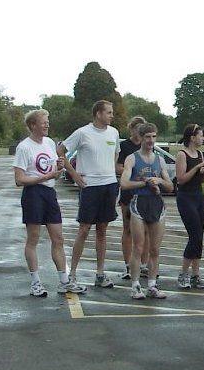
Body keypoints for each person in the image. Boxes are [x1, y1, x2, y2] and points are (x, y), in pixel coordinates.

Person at [13, 109, 86, 297]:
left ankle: (64, 281)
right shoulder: (24, 147)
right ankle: (36, 282)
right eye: (43, 122)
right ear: (32, 126)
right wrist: (45, 176)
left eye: (48, 121)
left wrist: (59, 166)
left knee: (58, 238)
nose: (47, 125)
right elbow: (19, 179)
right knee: (33, 239)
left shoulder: (49, 142)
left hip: (49, 193)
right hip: (33, 194)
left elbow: (53, 166)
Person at [58, 100, 120, 289]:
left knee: (102, 230)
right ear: (98, 114)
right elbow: (60, 151)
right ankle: (73, 274)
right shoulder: (82, 132)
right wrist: (74, 175)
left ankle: (100, 274)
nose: (112, 115)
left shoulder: (114, 132)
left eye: (112, 112)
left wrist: (109, 170)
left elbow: (115, 153)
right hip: (90, 187)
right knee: (84, 229)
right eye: (108, 112)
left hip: (109, 185)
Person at [120, 123, 173, 299]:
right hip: (138, 203)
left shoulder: (160, 159)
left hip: (156, 204)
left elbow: (170, 185)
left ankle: (152, 285)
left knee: (155, 249)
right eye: (147, 137)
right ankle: (135, 286)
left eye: (154, 137)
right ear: (141, 138)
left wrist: (157, 180)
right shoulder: (132, 158)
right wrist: (145, 183)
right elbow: (125, 183)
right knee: (138, 247)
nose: (151, 140)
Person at [175, 124, 204, 290]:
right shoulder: (182, 155)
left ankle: (196, 275)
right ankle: (183, 274)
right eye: (201, 136)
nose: (203, 138)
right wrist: (196, 167)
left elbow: (202, 180)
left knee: (199, 235)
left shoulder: (200, 153)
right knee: (194, 235)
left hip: (198, 195)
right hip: (185, 197)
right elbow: (181, 179)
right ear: (192, 137)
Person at [116, 116, 150, 280]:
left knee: (146, 230)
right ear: (132, 129)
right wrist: (132, 171)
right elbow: (117, 166)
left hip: (145, 193)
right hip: (129, 192)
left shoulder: (148, 146)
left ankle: (144, 264)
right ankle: (128, 265)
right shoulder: (124, 146)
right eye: (137, 128)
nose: (140, 132)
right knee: (128, 228)